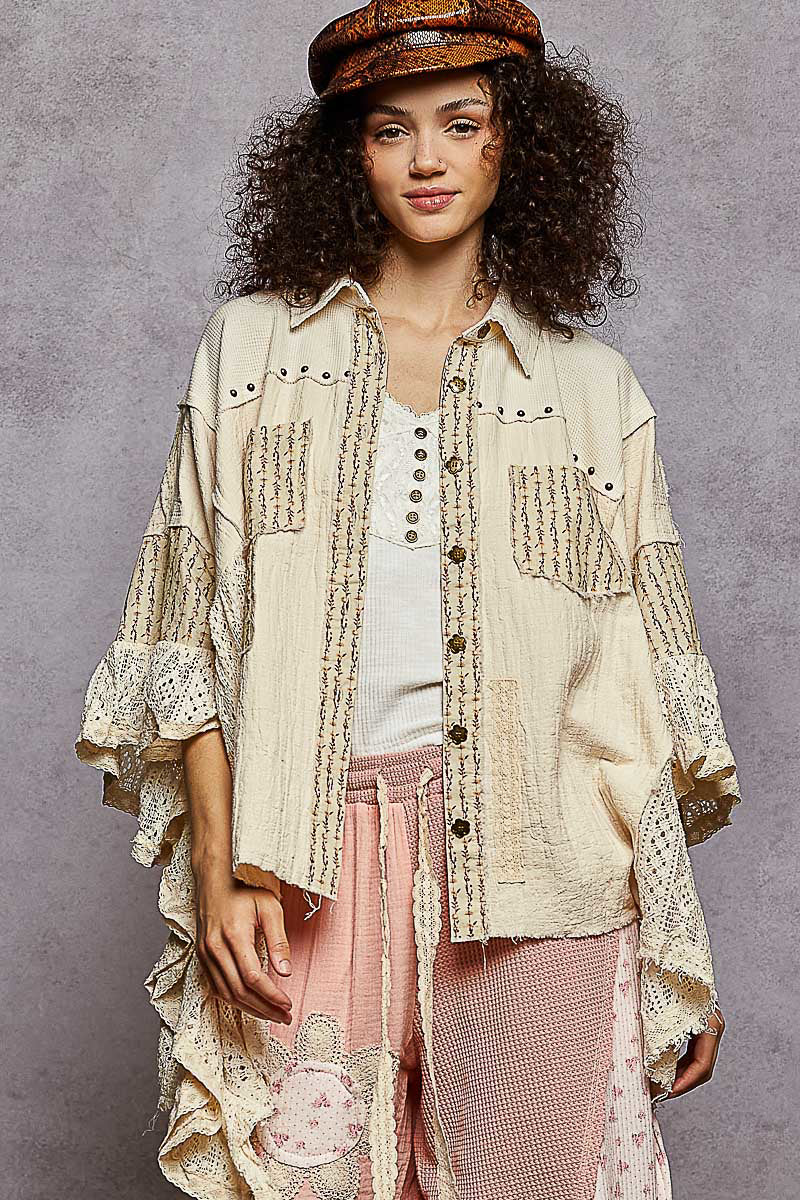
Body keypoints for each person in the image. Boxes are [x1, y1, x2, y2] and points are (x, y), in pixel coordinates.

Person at [74, 1, 741, 1197]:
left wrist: (672, 955)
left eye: (461, 123)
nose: (426, 158)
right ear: (351, 156)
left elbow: (636, 690)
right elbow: (182, 628)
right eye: (390, 129)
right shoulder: (253, 348)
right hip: (303, 856)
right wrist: (224, 863)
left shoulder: (592, 387)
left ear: (516, 144)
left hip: (542, 869)